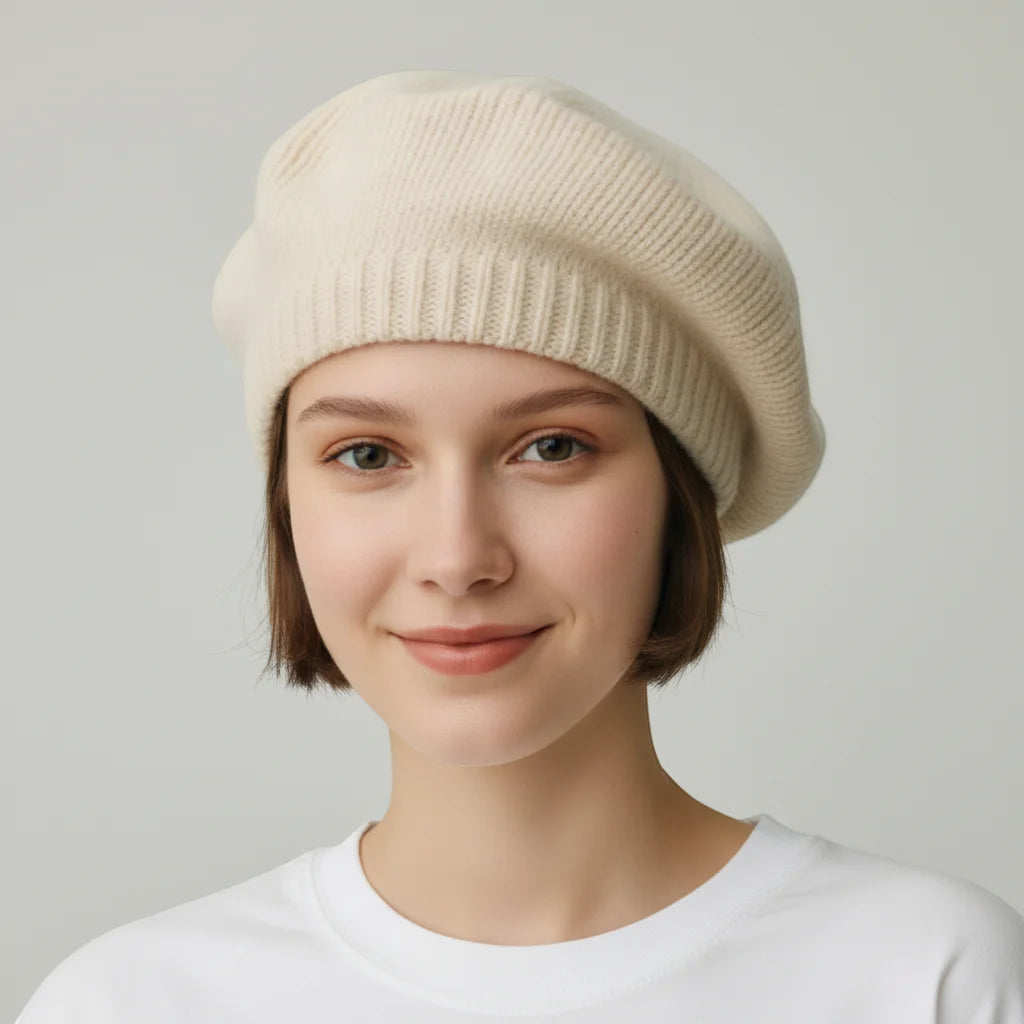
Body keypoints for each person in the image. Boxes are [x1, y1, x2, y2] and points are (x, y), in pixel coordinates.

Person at [16, 68, 1023, 1022]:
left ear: (680, 492)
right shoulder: (130, 1003)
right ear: (287, 500)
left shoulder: (922, 975)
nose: (457, 557)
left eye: (551, 447)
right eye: (367, 453)